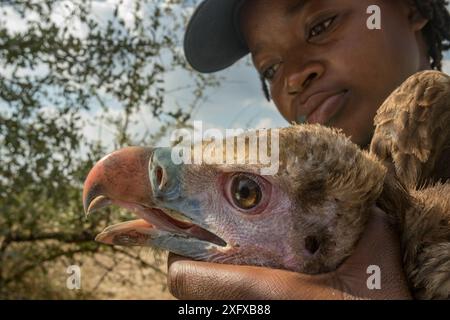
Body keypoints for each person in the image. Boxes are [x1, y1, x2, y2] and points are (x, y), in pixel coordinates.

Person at [167, 0, 450, 299]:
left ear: (412, 8)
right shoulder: (294, 195)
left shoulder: (425, 105)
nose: (292, 78)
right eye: (271, 69)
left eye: (321, 26)